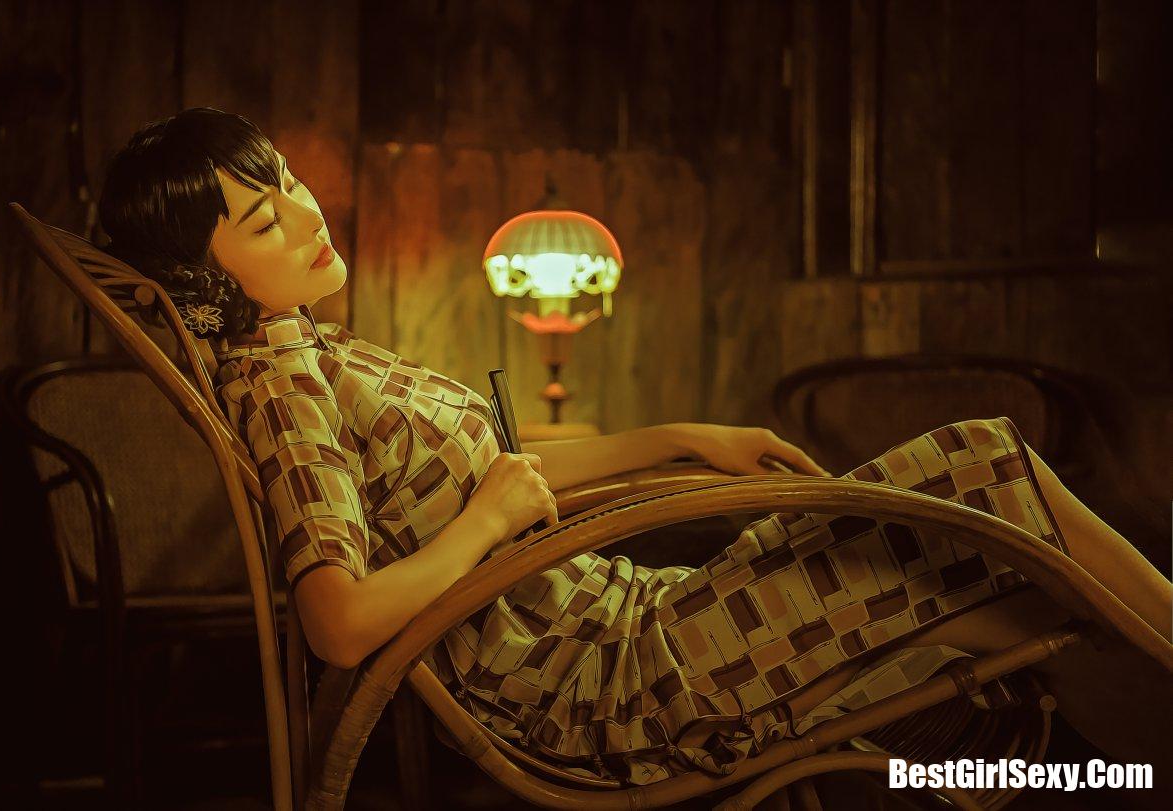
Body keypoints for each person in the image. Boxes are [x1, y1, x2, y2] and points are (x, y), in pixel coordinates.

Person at [98, 108, 1172, 787]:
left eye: (286, 181)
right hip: (609, 682)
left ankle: (1098, 736)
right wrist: (485, 525)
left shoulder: (312, 348)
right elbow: (336, 621)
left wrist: (681, 437)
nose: (303, 213)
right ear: (207, 277)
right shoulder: (283, 389)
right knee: (980, 465)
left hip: (637, 617)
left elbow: (504, 469)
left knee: (997, 586)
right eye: (260, 221)